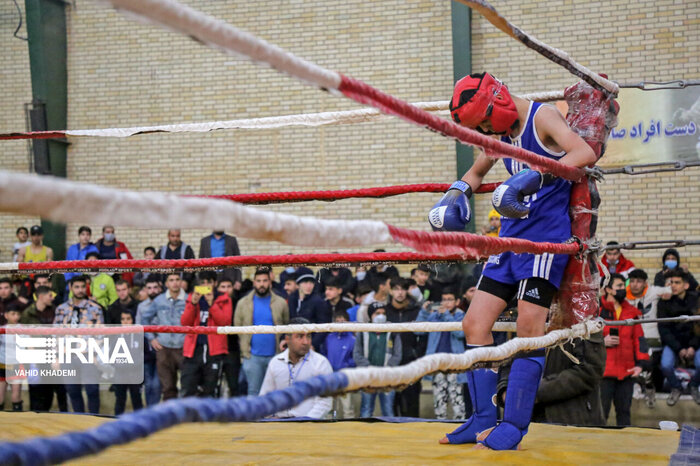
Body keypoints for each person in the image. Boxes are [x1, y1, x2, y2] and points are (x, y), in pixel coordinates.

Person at [429, 71, 597, 449]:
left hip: (542, 244)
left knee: (528, 327)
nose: (487, 129)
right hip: (507, 244)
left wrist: (535, 174)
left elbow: (585, 152)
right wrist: (454, 195)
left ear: (498, 101)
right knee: (474, 324)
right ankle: (482, 419)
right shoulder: (500, 136)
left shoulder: (542, 118)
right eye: (482, 126)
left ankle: (515, 426)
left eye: (487, 121)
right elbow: (475, 172)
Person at [497, 330, 606, 426]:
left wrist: (536, 391)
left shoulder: (584, 319)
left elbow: (590, 371)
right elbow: (509, 362)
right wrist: (506, 390)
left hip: (572, 420)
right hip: (526, 418)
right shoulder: (529, 316)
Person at [599, 273, 649, 426]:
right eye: (620, 286)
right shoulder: (596, 311)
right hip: (603, 373)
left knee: (624, 415)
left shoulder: (631, 312)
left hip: (626, 373)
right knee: (601, 415)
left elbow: (639, 339)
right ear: (608, 289)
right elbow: (584, 338)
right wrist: (602, 342)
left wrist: (641, 364)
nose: (623, 289)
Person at [259, 317, 334, 419]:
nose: (306, 342)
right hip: (278, 424)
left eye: (308, 336)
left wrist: (304, 422)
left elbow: (324, 403)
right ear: (287, 339)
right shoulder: (275, 362)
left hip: (309, 426)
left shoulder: (321, 363)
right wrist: (269, 419)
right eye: (300, 336)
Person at [234, 267, 289, 396]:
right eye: (258, 281)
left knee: (276, 393)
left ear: (270, 282)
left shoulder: (281, 303)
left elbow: (286, 325)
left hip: (276, 355)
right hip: (252, 357)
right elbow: (237, 326)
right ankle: (254, 417)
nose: (262, 284)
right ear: (254, 282)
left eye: (265, 281)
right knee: (254, 392)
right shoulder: (243, 303)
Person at [54, 275, 104, 414]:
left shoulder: (95, 308)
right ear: (70, 288)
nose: (80, 290)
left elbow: (100, 333)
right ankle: (79, 422)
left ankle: (95, 421)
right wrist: (56, 357)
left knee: (92, 389)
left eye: (83, 287)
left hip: (87, 354)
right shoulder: (61, 309)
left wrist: (95, 354)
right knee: (72, 390)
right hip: (67, 355)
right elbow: (55, 333)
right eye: (77, 287)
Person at [416, 288, 466, 420]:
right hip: (437, 363)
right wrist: (424, 311)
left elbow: (460, 334)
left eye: (450, 299)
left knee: (457, 398)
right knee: (439, 399)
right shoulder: (434, 316)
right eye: (444, 300)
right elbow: (418, 331)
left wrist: (447, 316)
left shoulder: (461, 316)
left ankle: (459, 424)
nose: (446, 303)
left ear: (457, 301)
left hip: (455, 363)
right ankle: (440, 424)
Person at [181, 272, 233, 397]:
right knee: (188, 388)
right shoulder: (191, 297)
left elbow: (225, 323)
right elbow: (185, 323)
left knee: (210, 389)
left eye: (209, 282)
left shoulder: (224, 299)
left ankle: (210, 416)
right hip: (193, 350)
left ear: (215, 283)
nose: (206, 286)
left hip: (214, 351)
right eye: (202, 283)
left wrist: (212, 304)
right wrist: (192, 304)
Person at [138, 273, 187, 400]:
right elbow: (144, 319)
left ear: (181, 282)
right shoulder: (159, 300)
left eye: (177, 279)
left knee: (188, 386)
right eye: (171, 280)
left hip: (183, 348)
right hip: (163, 348)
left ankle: (186, 417)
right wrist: (151, 338)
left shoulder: (188, 299)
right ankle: (170, 418)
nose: (175, 282)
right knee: (167, 388)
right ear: (166, 284)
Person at [20, 286, 68, 412]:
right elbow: (23, 336)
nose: (52, 298)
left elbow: (60, 332)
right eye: (49, 295)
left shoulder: (55, 311)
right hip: (35, 355)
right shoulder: (27, 313)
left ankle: (64, 415)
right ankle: (36, 418)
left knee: (59, 388)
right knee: (37, 390)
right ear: (41, 297)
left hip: (53, 352)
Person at [626, 268, 670, 405]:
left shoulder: (653, 291)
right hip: (632, 338)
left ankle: (648, 386)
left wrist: (668, 290)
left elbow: (672, 291)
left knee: (650, 358)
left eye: (639, 281)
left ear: (645, 283)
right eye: (632, 281)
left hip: (652, 337)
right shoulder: (624, 296)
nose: (635, 284)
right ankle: (640, 385)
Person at [382, 277, 424, 418]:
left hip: (412, 363)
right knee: (391, 405)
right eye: (396, 289)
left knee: (412, 403)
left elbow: (424, 336)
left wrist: (417, 354)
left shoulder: (416, 310)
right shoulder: (384, 311)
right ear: (391, 291)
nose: (399, 293)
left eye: (402, 289)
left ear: (407, 291)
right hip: (391, 364)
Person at [657, 270, 700, 405]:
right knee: (665, 365)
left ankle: (693, 385)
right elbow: (664, 329)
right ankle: (676, 387)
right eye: (671, 282)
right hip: (674, 344)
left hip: (695, 343)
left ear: (686, 285)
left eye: (677, 282)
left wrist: (693, 346)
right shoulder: (664, 302)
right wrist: (679, 348)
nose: (673, 285)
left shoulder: (696, 301)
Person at [354, 305, 402, 417]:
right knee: (366, 410)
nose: (381, 316)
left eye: (383, 313)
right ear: (371, 316)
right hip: (368, 377)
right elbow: (357, 354)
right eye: (377, 313)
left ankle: (390, 434)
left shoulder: (393, 331)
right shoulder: (363, 332)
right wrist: (370, 369)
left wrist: (387, 369)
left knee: (388, 410)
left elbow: (398, 354)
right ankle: (364, 433)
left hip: (388, 377)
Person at [136, 275, 163, 406]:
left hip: (163, 348)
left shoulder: (165, 303)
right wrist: (151, 338)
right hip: (146, 349)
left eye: (155, 287)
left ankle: (155, 414)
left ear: (159, 288)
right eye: (149, 288)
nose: (152, 290)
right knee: (148, 384)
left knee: (157, 384)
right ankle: (149, 413)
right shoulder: (141, 307)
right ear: (145, 289)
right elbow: (137, 327)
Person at [323, 310, 356, 418]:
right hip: (330, 376)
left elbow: (355, 359)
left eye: (343, 321)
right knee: (328, 408)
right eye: (337, 321)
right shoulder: (329, 338)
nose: (340, 324)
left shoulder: (352, 340)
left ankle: (350, 431)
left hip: (345, 377)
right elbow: (325, 353)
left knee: (347, 408)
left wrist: (346, 365)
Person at [113, 311, 144, 415]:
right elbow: (110, 354)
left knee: (137, 400)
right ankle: (116, 426)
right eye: (123, 319)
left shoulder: (139, 336)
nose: (126, 322)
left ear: (132, 320)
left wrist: (136, 364)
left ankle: (141, 426)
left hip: (135, 373)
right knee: (120, 401)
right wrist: (120, 364)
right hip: (120, 373)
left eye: (128, 319)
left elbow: (145, 354)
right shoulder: (115, 336)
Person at [216, 277, 241, 397]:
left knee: (234, 385)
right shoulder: (213, 301)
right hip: (216, 349)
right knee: (213, 386)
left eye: (229, 287)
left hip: (233, 349)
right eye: (223, 287)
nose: (226, 290)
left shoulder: (238, 302)